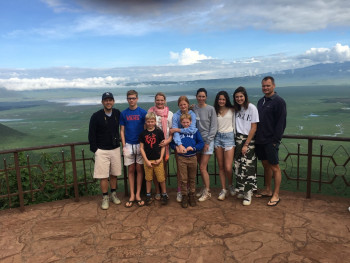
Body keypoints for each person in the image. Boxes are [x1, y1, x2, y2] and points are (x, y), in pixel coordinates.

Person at [255, 76, 287, 207]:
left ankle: (276, 194)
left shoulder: (279, 102)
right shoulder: (261, 101)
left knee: (275, 167)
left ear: (274, 86)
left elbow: (281, 122)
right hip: (260, 140)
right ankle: (268, 190)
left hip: (270, 141)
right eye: (263, 86)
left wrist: (275, 140)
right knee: (266, 165)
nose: (265, 88)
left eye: (268, 85)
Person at [88, 92, 122, 210]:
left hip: (115, 148)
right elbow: (91, 135)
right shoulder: (96, 116)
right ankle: (105, 197)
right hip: (101, 150)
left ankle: (113, 194)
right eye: (106, 100)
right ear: (102, 102)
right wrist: (95, 150)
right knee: (103, 176)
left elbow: (124, 127)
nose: (108, 102)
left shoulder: (117, 113)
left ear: (113, 101)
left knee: (114, 174)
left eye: (110, 100)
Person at [170, 113, 204, 208]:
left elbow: (201, 143)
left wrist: (193, 148)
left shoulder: (195, 131)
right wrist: (176, 147)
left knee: (192, 178)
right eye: (184, 122)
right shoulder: (178, 133)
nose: (185, 124)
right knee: (183, 178)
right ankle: (184, 195)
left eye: (187, 122)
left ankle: (192, 195)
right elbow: (172, 143)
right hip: (182, 158)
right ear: (181, 122)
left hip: (192, 157)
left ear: (191, 122)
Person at [120, 90, 147, 208]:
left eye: (133, 98)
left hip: (140, 144)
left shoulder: (142, 112)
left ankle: (137, 195)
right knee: (131, 169)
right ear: (127, 99)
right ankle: (132, 195)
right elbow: (122, 130)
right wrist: (124, 145)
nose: (131, 100)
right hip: (129, 144)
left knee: (139, 169)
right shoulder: (124, 113)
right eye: (129, 98)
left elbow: (146, 128)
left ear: (137, 99)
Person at [233, 87, 259, 206]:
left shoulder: (252, 108)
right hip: (237, 139)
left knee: (248, 166)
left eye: (241, 96)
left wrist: (246, 143)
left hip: (248, 139)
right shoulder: (237, 109)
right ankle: (242, 190)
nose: (239, 99)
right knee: (238, 165)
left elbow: (254, 127)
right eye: (237, 97)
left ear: (245, 96)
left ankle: (248, 193)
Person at [170, 96, 197, 203]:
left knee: (191, 172)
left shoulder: (192, 114)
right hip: (179, 146)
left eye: (185, 104)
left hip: (191, 149)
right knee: (181, 172)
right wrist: (179, 145)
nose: (183, 106)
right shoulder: (176, 116)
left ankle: (190, 192)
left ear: (187, 104)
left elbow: (192, 129)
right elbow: (175, 133)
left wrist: (177, 129)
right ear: (178, 105)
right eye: (181, 105)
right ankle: (180, 191)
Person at [193, 88, 217, 202]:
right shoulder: (194, 108)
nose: (201, 98)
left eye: (203, 96)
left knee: (202, 167)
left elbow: (213, 127)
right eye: (199, 96)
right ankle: (204, 188)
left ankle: (207, 191)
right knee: (202, 167)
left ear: (206, 97)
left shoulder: (211, 109)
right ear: (196, 97)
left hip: (208, 141)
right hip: (198, 141)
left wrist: (208, 142)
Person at [139, 112, 169, 206]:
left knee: (161, 178)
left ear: (155, 122)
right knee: (148, 179)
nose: (150, 123)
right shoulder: (143, 134)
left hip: (157, 159)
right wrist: (146, 161)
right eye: (148, 121)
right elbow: (141, 148)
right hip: (148, 160)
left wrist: (160, 158)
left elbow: (163, 146)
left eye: (152, 121)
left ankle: (164, 194)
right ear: (146, 122)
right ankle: (148, 195)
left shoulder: (159, 132)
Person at [148, 92, 173, 201]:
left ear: (165, 101)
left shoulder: (170, 114)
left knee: (163, 169)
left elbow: (171, 131)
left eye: (162, 100)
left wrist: (167, 141)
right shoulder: (150, 112)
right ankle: (157, 190)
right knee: (154, 169)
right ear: (155, 101)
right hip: (152, 146)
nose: (159, 102)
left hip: (165, 146)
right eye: (158, 100)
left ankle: (164, 191)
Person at [213, 91, 236, 201]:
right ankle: (223, 189)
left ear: (226, 100)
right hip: (218, 138)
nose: (221, 101)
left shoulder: (232, 110)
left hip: (229, 138)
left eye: (223, 99)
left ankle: (230, 184)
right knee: (221, 166)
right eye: (219, 99)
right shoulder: (214, 111)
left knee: (228, 167)